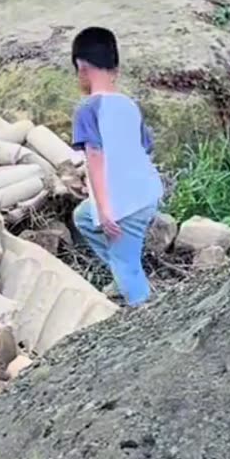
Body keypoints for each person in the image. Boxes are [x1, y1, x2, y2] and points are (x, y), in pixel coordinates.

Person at [68, 27, 164, 307]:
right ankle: (121, 274)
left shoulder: (87, 109)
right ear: (116, 69)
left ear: (81, 68)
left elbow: (95, 160)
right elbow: (145, 147)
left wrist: (107, 209)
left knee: (128, 268)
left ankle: (144, 313)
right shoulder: (129, 105)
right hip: (145, 194)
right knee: (84, 217)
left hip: (124, 204)